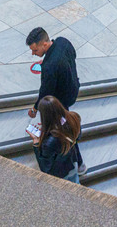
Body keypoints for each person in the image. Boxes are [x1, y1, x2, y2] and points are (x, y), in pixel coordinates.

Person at [26, 27, 85, 175]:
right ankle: (80, 164)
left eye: (35, 50)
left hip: (62, 99)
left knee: (65, 131)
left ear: (44, 44)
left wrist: (35, 108)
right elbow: (73, 55)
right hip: (73, 88)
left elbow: (45, 92)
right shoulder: (63, 41)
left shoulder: (50, 67)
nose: (33, 54)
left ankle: (80, 164)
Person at [31, 95, 83, 183]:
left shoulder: (50, 142)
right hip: (72, 162)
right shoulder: (73, 117)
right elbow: (78, 136)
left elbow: (45, 167)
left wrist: (36, 143)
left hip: (59, 174)